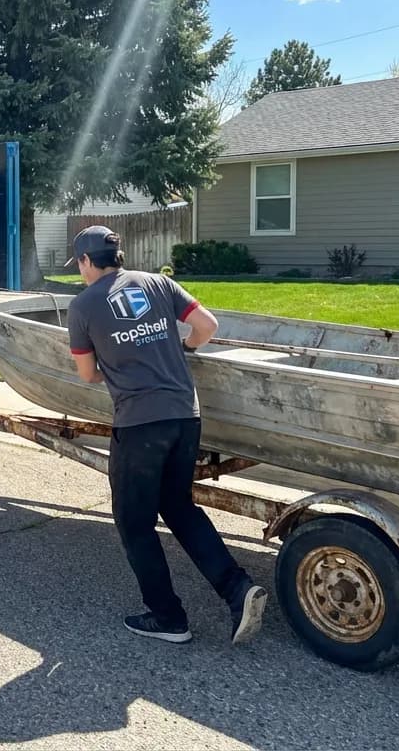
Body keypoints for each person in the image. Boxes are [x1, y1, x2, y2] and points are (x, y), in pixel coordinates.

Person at [65, 225, 266, 645]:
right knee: (179, 507)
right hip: (185, 416)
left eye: (79, 264)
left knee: (134, 523)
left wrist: (119, 368)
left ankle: (168, 617)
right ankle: (237, 589)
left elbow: (86, 374)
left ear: (85, 261)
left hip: (139, 424)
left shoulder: (83, 306)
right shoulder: (158, 282)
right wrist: (184, 348)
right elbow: (206, 325)